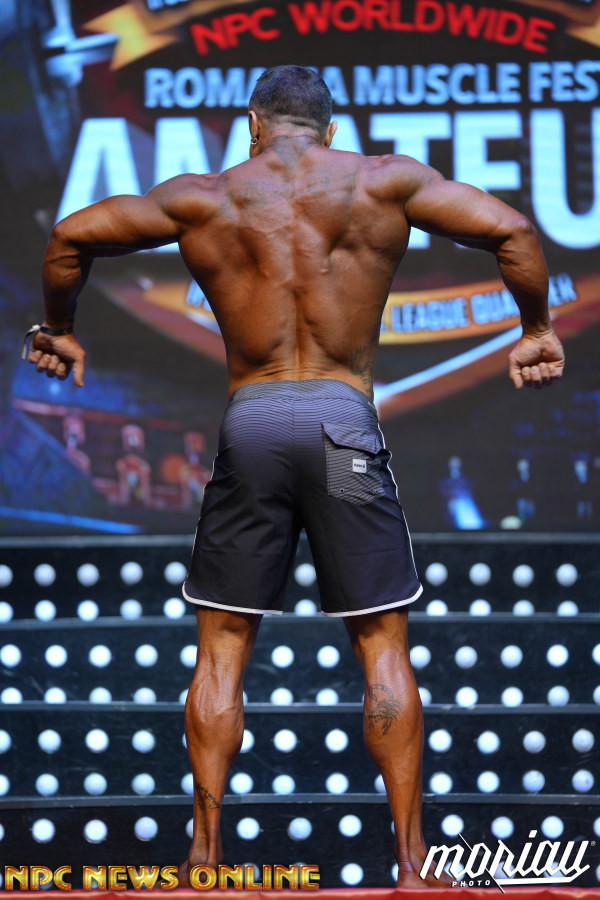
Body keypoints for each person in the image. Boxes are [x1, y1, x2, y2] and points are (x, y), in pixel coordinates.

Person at [27, 65, 564, 888]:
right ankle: (412, 865)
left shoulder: (204, 196)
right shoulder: (383, 182)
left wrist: (58, 327)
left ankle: (204, 860)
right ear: (330, 128)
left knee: (223, 647)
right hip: (341, 431)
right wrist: (534, 329)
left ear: (253, 123)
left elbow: (70, 235)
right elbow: (514, 231)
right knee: (381, 642)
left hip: (254, 427)